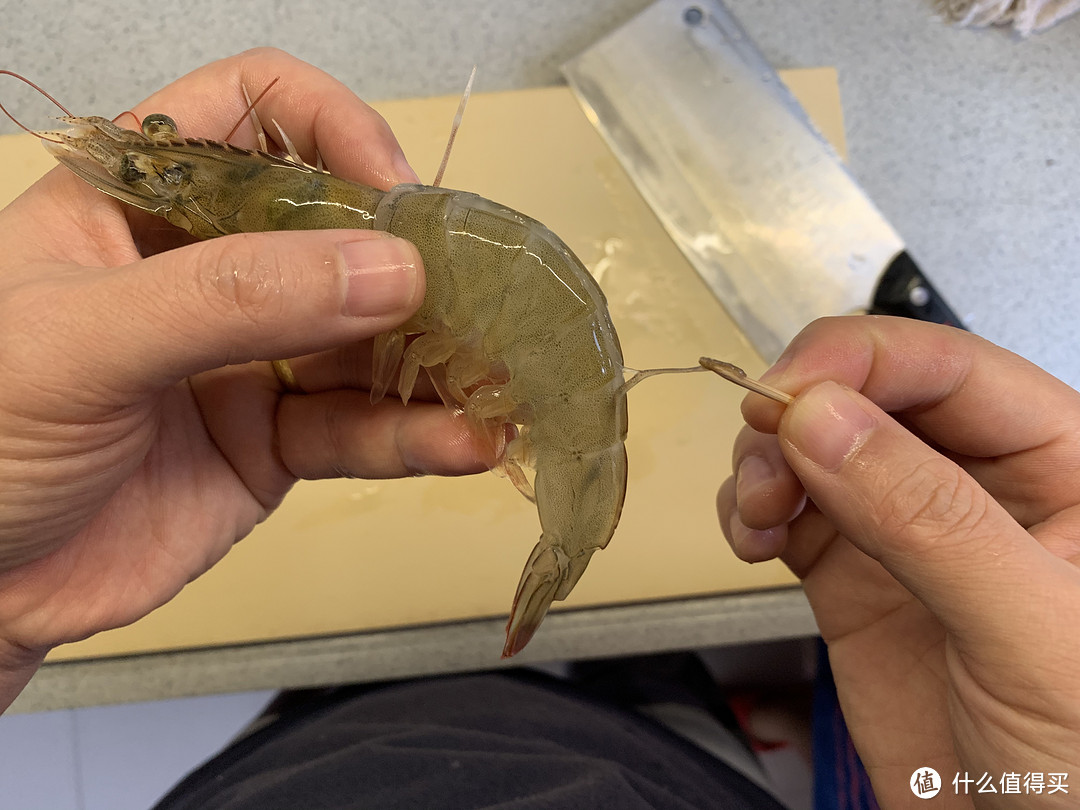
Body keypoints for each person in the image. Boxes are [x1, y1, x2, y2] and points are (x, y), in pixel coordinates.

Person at [1, 48, 1078, 808]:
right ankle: (650, 701)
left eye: (159, 157)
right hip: (651, 768)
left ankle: (592, 687)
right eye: (162, 160)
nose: (153, 168)